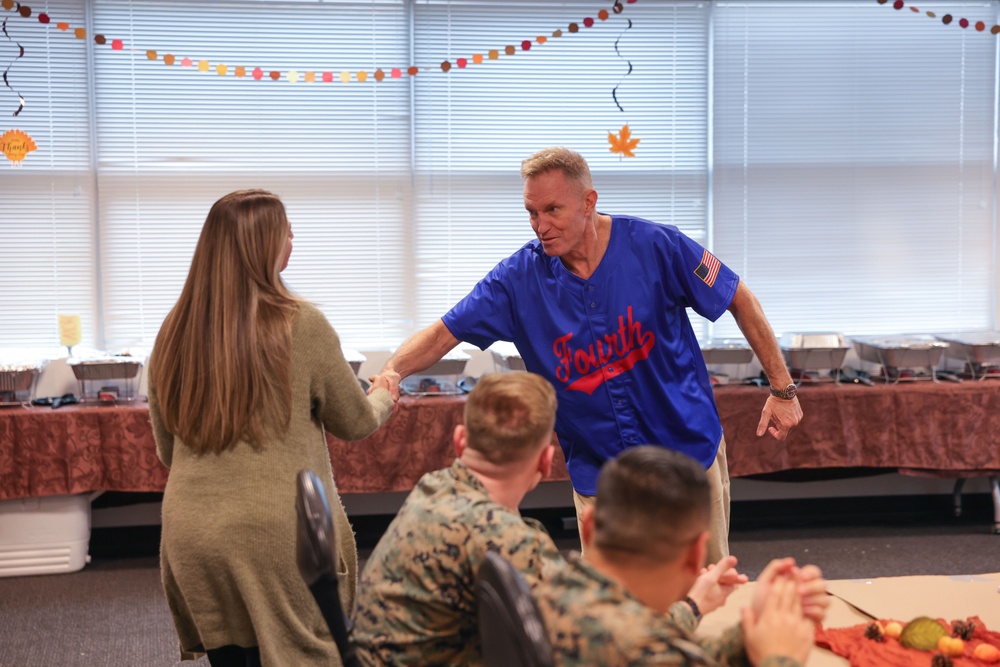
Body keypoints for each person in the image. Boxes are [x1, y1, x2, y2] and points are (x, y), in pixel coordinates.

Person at [370, 146, 802, 562]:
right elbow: (444, 332)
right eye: (532, 213)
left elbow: (738, 298)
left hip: (685, 458)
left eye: (552, 210)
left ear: (588, 201)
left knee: (704, 602)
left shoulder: (658, 246)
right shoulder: (517, 279)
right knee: (609, 618)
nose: (540, 226)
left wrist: (783, 390)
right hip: (603, 476)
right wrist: (394, 369)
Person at [148, 189, 394, 667]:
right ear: (263, 245)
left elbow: (167, 450)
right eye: (286, 230)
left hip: (192, 534)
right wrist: (384, 391)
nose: (293, 239)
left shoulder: (172, 330)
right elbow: (356, 421)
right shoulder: (301, 323)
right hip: (278, 535)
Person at [533, 445, 828, 666]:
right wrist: (780, 656)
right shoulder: (647, 649)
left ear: (588, 526)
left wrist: (752, 630)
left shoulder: (541, 588)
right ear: (696, 553)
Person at [350, 371, 564, 666]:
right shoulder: (509, 540)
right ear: (546, 462)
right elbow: (573, 639)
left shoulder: (433, 485)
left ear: (459, 439)